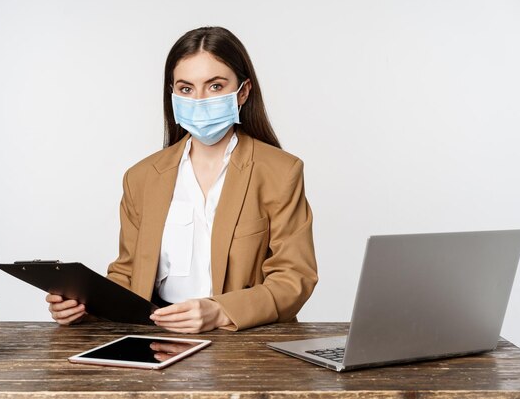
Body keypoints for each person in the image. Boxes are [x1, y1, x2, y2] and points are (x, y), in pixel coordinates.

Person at [46, 26, 318, 333]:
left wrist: (219, 312)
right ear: (173, 94)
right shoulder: (141, 178)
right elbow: (129, 273)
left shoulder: (280, 172)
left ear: (242, 91)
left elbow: (294, 278)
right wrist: (86, 308)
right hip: (156, 337)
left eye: (215, 86)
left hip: (243, 341)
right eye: (186, 89)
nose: (199, 100)